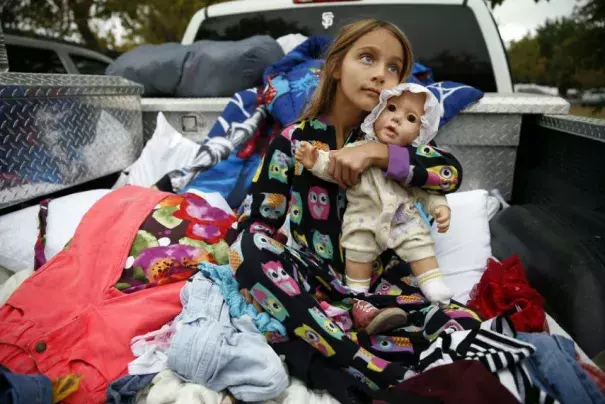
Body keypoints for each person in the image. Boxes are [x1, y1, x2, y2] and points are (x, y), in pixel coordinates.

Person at [230, 19, 477, 401]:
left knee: (464, 324)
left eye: (393, 67)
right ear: (334, 66)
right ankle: (355, 358)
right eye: (367, 58)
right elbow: (260, 223)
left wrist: (375, 152)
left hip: (387, 287)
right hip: (315, 283)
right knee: (245, 249)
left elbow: (448, 172)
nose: (381, 74)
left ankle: (333, 340)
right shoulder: (293, 140)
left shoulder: (396, 137)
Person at [295, 82, 455, 306]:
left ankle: (433, 283)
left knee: (419, 242)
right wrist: (315, 160)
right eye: (391, 109)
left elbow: (426, 189)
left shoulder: (411, 162)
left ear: (420, 134)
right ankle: (357, 294)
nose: (397, 119)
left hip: (403, 217)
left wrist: (440, 207)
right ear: (376, 113)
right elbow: (334, 165)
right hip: (363, 218)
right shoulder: (356, 149)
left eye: (410, 119)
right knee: (357, 250)